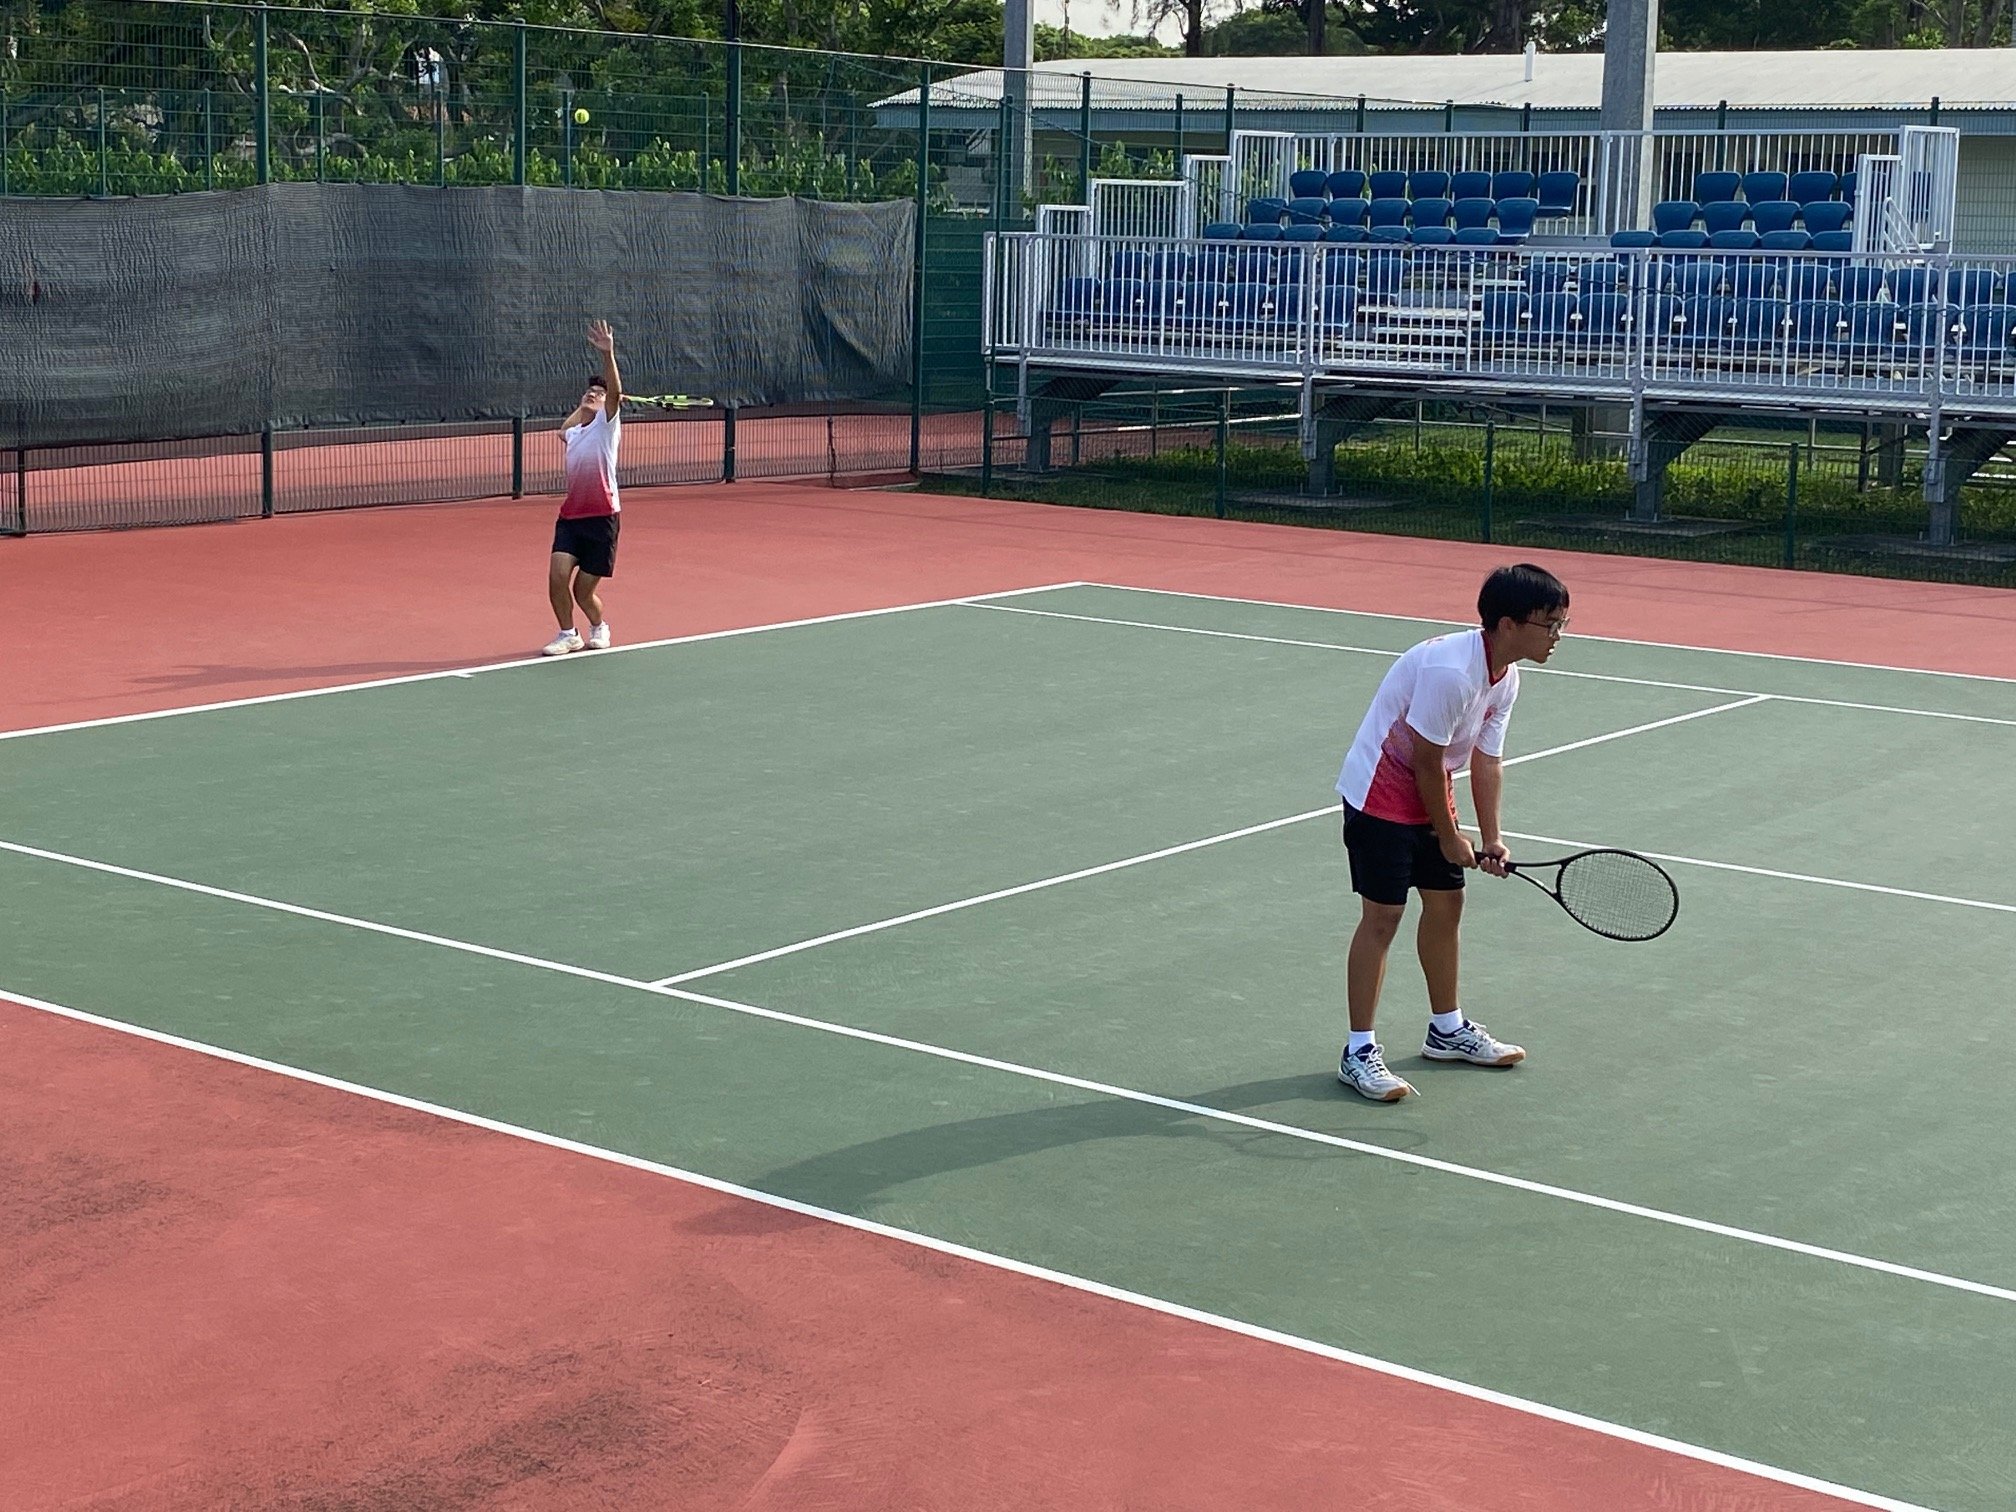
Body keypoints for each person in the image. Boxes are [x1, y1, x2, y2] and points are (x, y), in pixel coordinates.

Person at [1333, 563, 1571, 1102]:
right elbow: (1424, 759)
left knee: (1446, 908)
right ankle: (1359, 1051)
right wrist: (1448, 836)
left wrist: (1491, 838)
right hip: (1379, 795)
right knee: (1383, 917)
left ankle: (1447, 1030)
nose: (1557, 636)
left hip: (1428, 791)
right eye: (1550, 624)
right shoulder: (1451, 673)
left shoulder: (1505, 676)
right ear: (1508, 624)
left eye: (1562, 623)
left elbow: (1487, 761)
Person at [542, 319, 624, 656]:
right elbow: (564, 428)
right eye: (588, 393)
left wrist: (608, 355)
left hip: (603, 518)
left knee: (583, 592)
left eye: (598, 394)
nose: (592, 395)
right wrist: (587, 403)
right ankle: (568, 633)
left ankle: (598, 625)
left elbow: (615, 394)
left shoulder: (608, 429)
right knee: (557, 576)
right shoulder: (575, 433)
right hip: (571, 518)